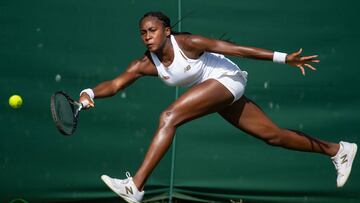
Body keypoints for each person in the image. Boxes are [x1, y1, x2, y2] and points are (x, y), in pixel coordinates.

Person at [78, 11, 357, 203]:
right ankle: (338, 150)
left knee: (168, 116)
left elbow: (236, 50)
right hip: (213, 92)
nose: (147, 36)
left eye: (152, 30)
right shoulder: (145, 63)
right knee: (273, 136)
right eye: (142, 33)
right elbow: (115, 85)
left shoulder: (188, 42)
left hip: (227, 80)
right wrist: (89, 92)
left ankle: (135, 186)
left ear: (166, 30)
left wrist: (285, 59)